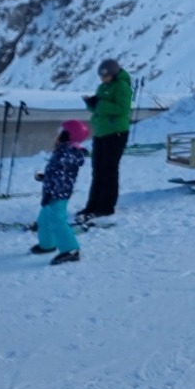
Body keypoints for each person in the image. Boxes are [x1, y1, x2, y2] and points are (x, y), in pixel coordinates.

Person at [77, 58, 132, 221]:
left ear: (113, 74)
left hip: (115, 133)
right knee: (98, 170)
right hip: (101, 133)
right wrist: (91, 104)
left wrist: (100, 104)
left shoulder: (122, 87)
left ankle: (106, 207)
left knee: (109, 170)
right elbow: (99, 107)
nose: (103, 79)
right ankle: (92, 205)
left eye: (106, 76)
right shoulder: (103, 87)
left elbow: (122, 108)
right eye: (101, 76)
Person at [32, 119, 89, 265]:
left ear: (67, 136)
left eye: (60, 133)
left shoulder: (66, 154)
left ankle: (71, 250)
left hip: (57, 194)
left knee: (57, 221)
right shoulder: (63, 151)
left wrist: (52, 192)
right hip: (53, 191)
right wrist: (46, 178)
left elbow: (62, 177)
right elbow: (58, 173)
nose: (56, 135)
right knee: (44, 219)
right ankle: (47, 245)